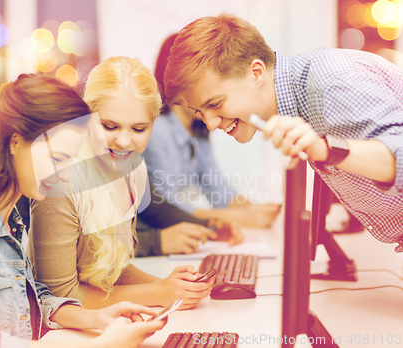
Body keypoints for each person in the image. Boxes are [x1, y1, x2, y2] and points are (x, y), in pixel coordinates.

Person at [0, 73, 166, 348]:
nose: (65, 177)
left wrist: (97, 317)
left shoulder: (8, 221)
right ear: (15, 142)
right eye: (57, 159)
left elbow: (29, 302)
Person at [163, 13, 403, 252]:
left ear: (256, 73)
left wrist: (324, 150)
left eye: (215, 104)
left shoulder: (328, 83)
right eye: (200, 111)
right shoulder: (301, 100)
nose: (211, 124)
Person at [28, 57, 214, 311]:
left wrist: (171, 288)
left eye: (139, 129)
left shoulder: (132, 169)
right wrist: (158, 292)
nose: (124, 142)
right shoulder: (59, 183)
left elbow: (110, 268)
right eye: (109, 126)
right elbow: (59, 297)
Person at [143, 33, 281, 229]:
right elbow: (167, 207)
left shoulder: (199, 129)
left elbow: (217, 188)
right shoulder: (157, 132)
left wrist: (256, 210)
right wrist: (239, 218)